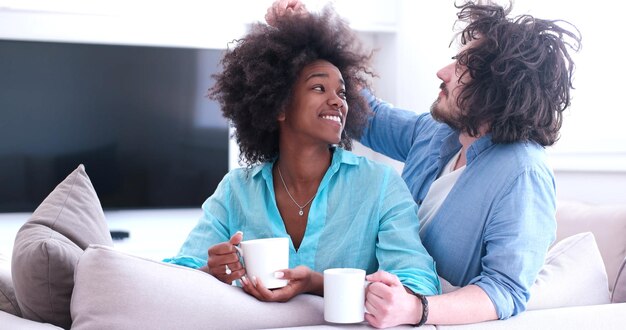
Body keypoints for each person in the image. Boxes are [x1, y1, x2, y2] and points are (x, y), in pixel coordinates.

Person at [266, 0, 581, 327]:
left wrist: (416, 308)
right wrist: (304, 33)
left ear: (496, 92)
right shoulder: (438, 133)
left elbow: (505, 289)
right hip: (368, 302)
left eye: (460, 68)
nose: (442, 73)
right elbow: (367, 116)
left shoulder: (523, 171)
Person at [164, 5, 440, 307]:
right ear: (279, 106)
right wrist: (211, 271)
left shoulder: (380, 185)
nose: (338, 102)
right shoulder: (237, 191)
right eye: (319, 88)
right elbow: (175, 277)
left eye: (343, 93)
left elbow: (418, 284)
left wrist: (319, 284)